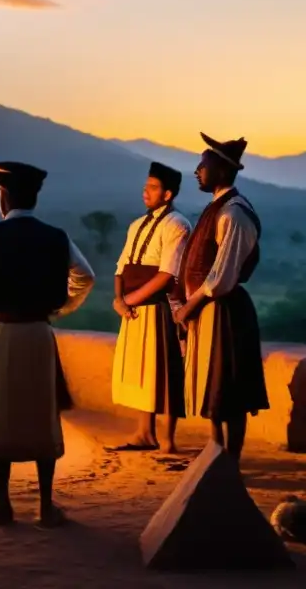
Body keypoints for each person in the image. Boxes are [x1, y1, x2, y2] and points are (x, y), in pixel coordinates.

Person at [0, 162, 95, 528]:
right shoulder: (57, 237)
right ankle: (47, 507)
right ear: (34, 197)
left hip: (1, 334)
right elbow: (86, 276)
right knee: (41, 416)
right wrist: (61, 308)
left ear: (4, 196)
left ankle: (3, 503)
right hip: (38, 334)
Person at [172, 133, 268, 464]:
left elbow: (221, 276)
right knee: (213, 387)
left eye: (204, 164)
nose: (197, 170)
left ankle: (232, 459)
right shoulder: (217, 208)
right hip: (206, 309)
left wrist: (189, 306)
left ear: (222, 172)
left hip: (224, 311)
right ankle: (215, 452)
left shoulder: (234, 213)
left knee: (230, 388)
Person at [109, 162, 191, 453]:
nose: (146, 192)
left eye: (153, 187)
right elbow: (121, 267)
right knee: (142, 371)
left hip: (159, 308)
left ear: (168, 194)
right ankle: (144, 433)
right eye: (145, 186)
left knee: (165, 372)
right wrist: (120, 300)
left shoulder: (178, 225)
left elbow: (167, 275)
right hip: (132, 309)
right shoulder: (136, 225)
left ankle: (167, 441)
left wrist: (129, 300)